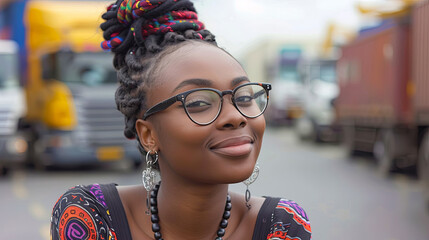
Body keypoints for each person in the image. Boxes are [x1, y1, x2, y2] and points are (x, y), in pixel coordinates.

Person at [50, 0, 312, 239]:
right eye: (198, 103)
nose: (235, 117)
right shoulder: (91, 217)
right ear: (148, 135)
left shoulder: (280, 225)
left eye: (243, 97)